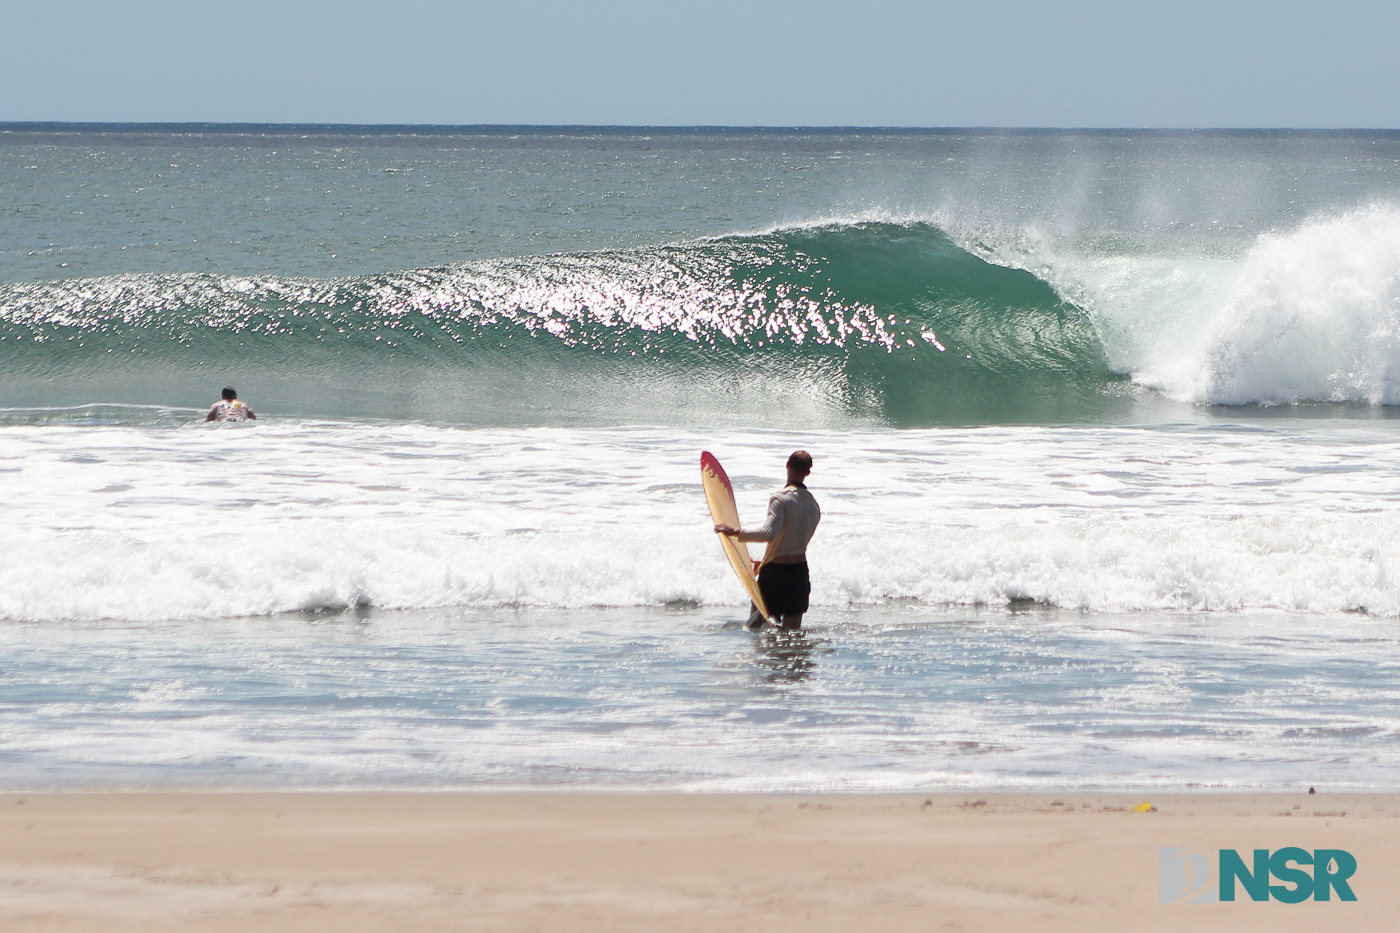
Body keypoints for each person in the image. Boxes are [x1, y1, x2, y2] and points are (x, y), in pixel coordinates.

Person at [715, 450, 821, 631]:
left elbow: (768, 533)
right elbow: (793, 542)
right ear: (808, 473)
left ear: (787, 466)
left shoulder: (780, 499)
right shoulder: (813, 505)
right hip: (799, 574)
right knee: (792, 635)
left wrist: (736, 532)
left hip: (775, 574)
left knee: (756, 630)